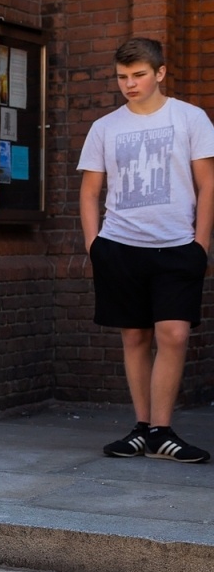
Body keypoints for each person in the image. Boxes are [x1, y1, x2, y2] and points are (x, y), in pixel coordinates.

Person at [80, 37, 213, 463]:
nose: (129, 84)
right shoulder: (105, 127)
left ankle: (162, 430)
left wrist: (201, 244)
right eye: (122, 77)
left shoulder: (190, 118)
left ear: (159, 73)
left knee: (173, 334)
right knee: (135, 337)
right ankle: (142, 429)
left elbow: (208, 183)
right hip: (120, 245)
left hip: (177, 246)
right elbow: (89, 192)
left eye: (138, 75)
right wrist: (94, 245)